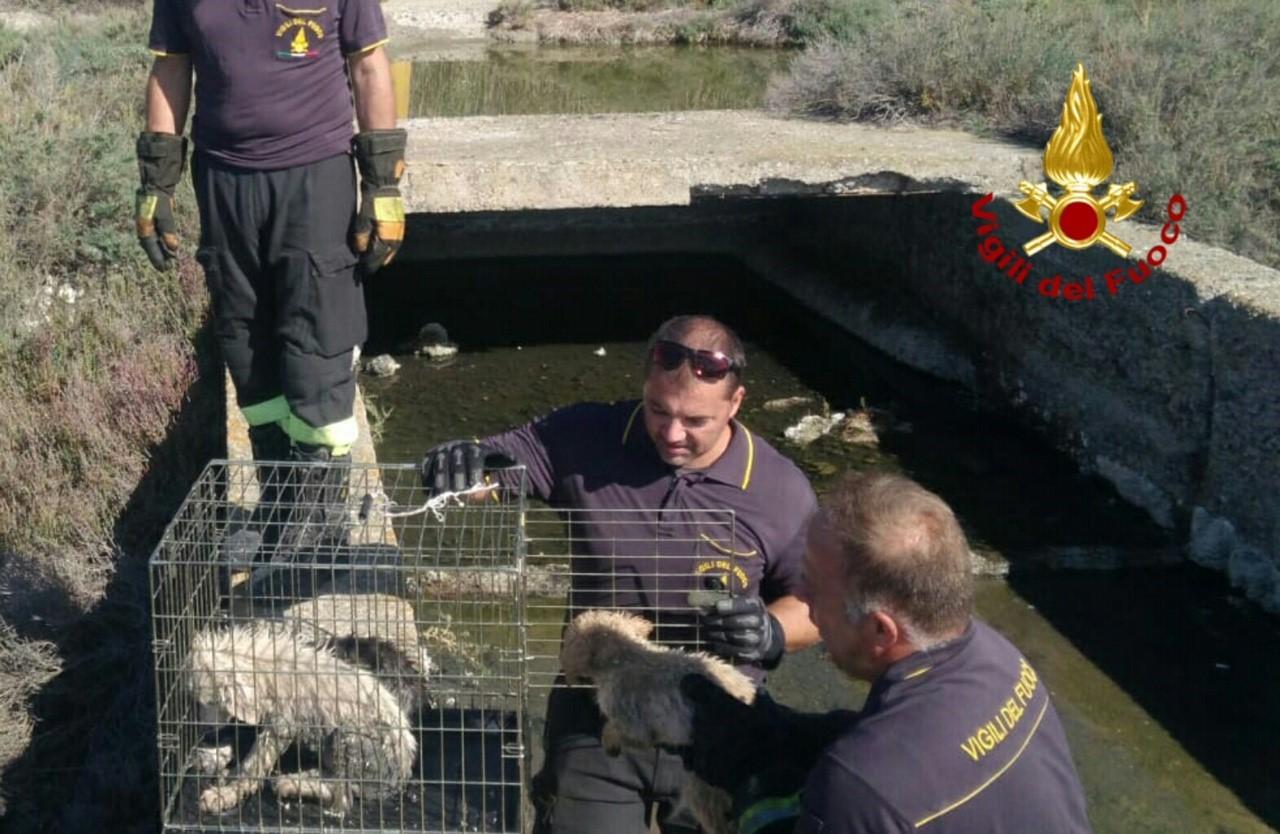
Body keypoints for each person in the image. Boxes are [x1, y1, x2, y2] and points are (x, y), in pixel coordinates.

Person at [420, 314, 822, 834]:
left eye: (695, 421)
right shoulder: (586, 436)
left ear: (735, 404)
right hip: (597, 713)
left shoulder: (778, 489)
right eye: (658, 411)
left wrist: (772, 630)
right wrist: (460, 465)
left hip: (718, 724)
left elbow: (818, 603)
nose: (672, 433)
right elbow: (502, 468)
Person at [678, 471, 1094, 834]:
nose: (800, 599)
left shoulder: (862, 789)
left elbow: (876, 780)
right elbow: (924, 753)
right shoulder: (1000, 661)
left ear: (880, 630)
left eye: (813, 589)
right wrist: (786, 731)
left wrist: (746, 778)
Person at [139, 0, 407, 551]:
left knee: (318, 340)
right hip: (223, 179)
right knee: (246, 339)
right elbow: (171, 68)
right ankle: (281, 503)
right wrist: (155, 183)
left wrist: (382, 185)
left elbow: (369, 65)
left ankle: (320, 519)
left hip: (315, 174)